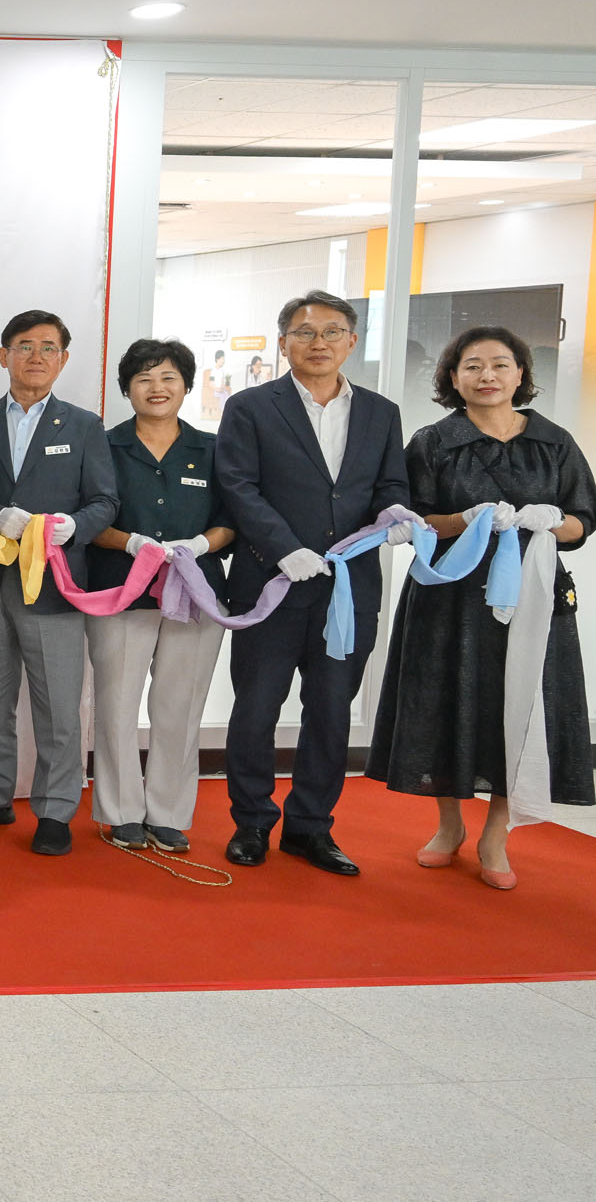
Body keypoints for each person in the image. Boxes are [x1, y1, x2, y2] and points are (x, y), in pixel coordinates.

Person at [368, 326, 595, 890]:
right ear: (453, 377)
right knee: (443, 700)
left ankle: (497, 833)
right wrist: (463, 520)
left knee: (519, 705)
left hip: (533, 598)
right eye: (472, 366)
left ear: (521, 375)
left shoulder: (555, 442)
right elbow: (411, 518)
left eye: (499, 365)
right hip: (450, 593)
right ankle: (449, 824)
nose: (486, 375)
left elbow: (583, 522)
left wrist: (551, 520)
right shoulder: (432, 442)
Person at [216, 290, 413, 876]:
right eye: (304, 332)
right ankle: (252, 822)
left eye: (331, 332)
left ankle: (310, 828)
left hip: (349, 591)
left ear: (351, 342)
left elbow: (390, 484)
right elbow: (238, 486)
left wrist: (394, 514)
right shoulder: (250, 407)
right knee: (256, 709)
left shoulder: (380, 412)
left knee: (330, 712)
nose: (318, 342)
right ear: (284, 343)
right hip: (270, 584)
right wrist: (284, 548)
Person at [0, 309, 118, 856]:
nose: (36, 356)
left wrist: (74, 527)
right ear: (4, 356)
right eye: (24, 346)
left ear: (64, 359)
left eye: (49, 347)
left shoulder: (84, 425)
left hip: (54, 584)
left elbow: (105, 501)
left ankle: (55, 808)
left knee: (59, 706)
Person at [86, 338, 233, 853]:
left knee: (180, 706)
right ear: (126, 388)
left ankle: (167, 813)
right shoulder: (102, 446)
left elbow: (231, 519)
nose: (157, 387)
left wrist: (200, 545)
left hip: (197, 593)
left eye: (168, 377)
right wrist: (131, 543)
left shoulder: (213, 449)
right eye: (144, 378)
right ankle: (122, 812)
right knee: (116, 704)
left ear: (186, 386)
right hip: (120, 590)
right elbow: (86, 517)